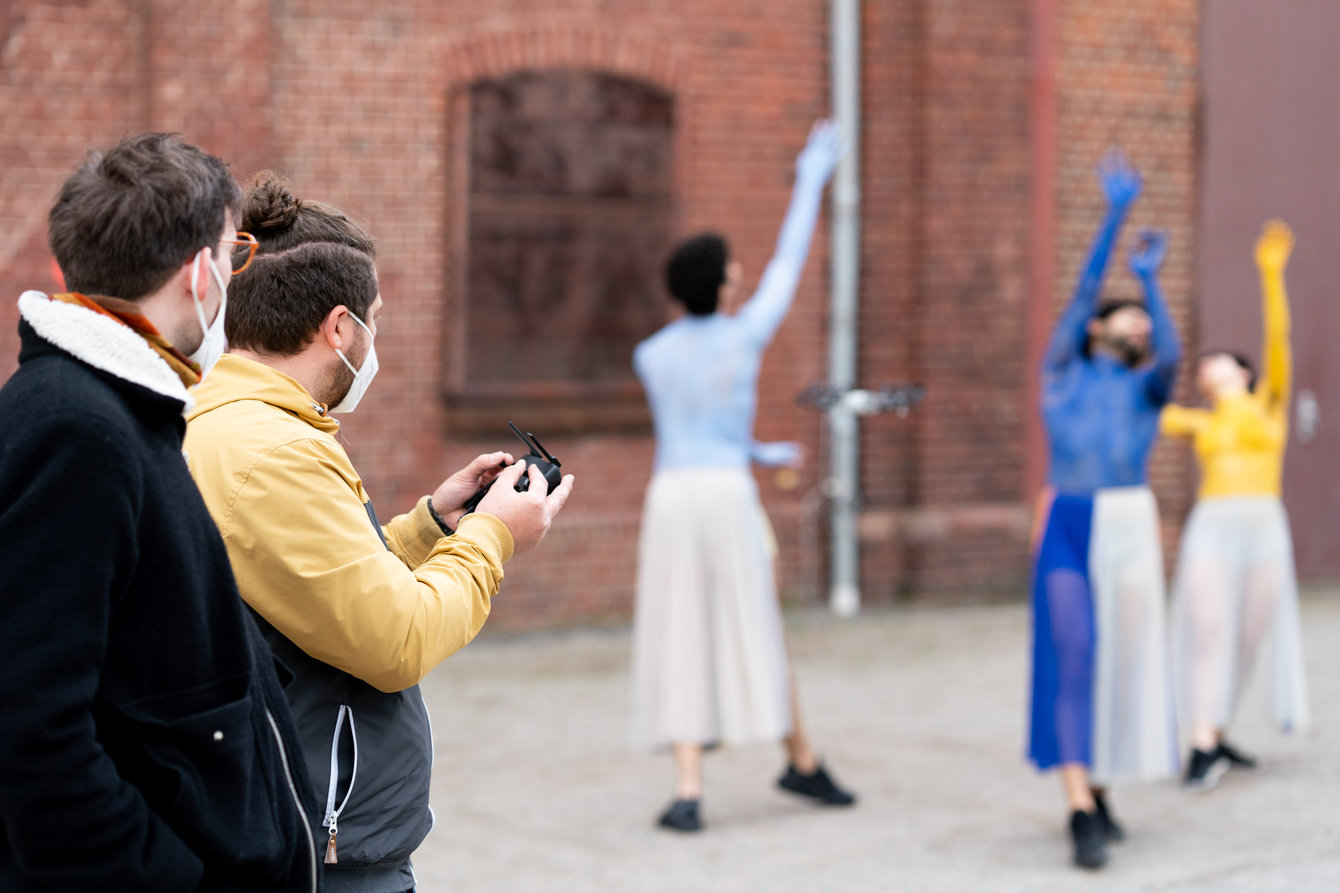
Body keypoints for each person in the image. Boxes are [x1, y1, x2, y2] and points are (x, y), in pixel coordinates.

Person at [183, 172, 574, 893]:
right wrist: (493, 537)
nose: (376, 341)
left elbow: (308, 594)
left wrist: (431, 526)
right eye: (376, 319)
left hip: (301, 827)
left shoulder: (246, 425)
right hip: (318, 846)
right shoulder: (272, 450)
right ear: (340, 328)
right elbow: (396, 642)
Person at [0, 134, 321, 891]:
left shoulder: (114, 408)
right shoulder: (75, 427)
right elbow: (32, 732)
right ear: (201, 273)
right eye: (231, 254)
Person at [630, 120, 854, 834]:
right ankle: (800, 756)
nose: (742, 275)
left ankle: (690, 786)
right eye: (732, 268)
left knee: (680, 628)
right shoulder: (745, 335)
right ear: (721, 283)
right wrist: (811, 181)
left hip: (672, 497)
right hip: (725, 496)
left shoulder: (652, 355)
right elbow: (790, 262)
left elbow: (693, 430)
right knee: (756, 622)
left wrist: (759, 449)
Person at [1028, 150, 1181, 870]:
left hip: (1127, 524)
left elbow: (1174, 355)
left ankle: (1099, 783)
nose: (1140, 328)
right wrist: (1115, 216)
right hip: (1068, 521)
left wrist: (1152, 283)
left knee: (1119, 657)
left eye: (1143, 321)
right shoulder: (1062, 370)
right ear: (1097, 328)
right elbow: (1084, 290)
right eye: (1128, 317)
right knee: (1076, 651)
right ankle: (1079, 809)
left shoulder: (1147, 389)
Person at [1161, 220, 1310, 791]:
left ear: (1243, 373)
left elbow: (1280, 341)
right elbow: (1147, 408)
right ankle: (1201, 742)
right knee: (1209, 631)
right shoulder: (1198, 420)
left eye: (1220, 359)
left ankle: (1219, 729)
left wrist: (1271, 275)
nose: (1209, 365)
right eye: (1205, 364)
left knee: (1249, 635)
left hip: (1264, 524)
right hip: (1215, 525)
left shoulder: (1268, 404)